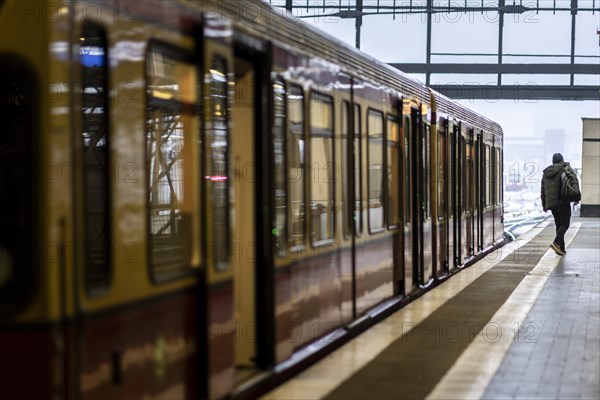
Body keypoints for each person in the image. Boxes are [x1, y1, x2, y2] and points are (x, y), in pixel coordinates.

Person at [540, 153, 579, 256]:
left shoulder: (546, 173)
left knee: (559, 224)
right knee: (565, 224)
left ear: (553, 161)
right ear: (562, 160)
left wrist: (544, 205)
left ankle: (561, 248)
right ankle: (557, 242)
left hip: (552, 203)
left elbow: (543, 191)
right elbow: (575, 182)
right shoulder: (565, 168)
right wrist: (577, 198)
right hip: (563, 201)